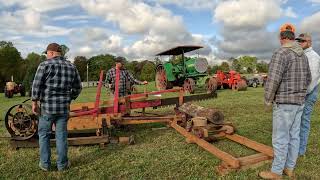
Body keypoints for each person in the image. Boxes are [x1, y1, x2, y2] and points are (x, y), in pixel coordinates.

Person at [259, 25, 311, 179]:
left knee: (281, 138)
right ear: (293, 39)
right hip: (299, 102)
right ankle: (289, 168)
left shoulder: (281, 52)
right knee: (294, 136)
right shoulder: (303, 55)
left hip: (285, 103)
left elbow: (273, 79)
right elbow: (308, 79)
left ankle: (276, 172)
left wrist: (268, 100)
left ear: (281, 39)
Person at [32, 43, 82, 171]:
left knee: (44, 135)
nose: (46, 56)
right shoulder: (72, 66)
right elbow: (78, 88)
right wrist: (69, 98)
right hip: (64, 109)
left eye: (47, 53)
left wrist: (34, 102)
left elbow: (36, 85)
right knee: (61, 136)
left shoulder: (44, 65)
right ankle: (62, 165)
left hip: (47, 109)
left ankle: (45, 164)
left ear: (52, 53)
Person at [296, 33, 320, 156]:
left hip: (309, 92)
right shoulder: (302, 55)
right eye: (298, 41)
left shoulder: (313, 57)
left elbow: (312, 79)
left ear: (309, 42)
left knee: (304, 120)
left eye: (302, 41)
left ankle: (301, 150)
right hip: (303, 92)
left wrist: (302, 94)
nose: (299, 43)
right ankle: (296, 147)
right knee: (297, 120)